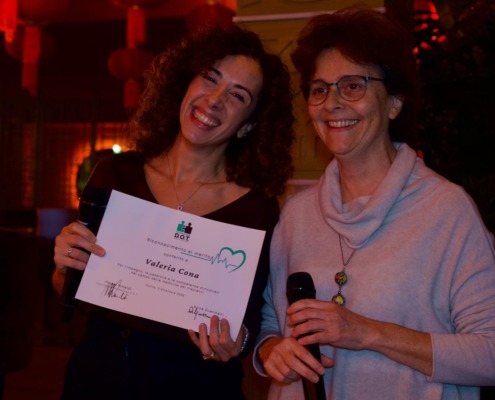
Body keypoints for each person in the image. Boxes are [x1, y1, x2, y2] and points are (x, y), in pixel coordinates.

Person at [254, 6, 495, 400]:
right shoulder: (297, 214)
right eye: (319, 88)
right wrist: (271, 351)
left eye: (353, 86)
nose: (331, 103)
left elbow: (489, 353)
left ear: (395, 102)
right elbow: (268, 322)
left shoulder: (446, 210)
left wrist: (368, 333)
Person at [52, 23, 294, 400]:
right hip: (99, 378)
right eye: (210, 78)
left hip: (197, 386)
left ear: (248, 125)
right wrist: (65, 264)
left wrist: (238, 342)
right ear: (185, 82)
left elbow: (250, 321)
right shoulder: (115, 174)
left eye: (238, 95)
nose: (215, 99)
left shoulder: (256, 210)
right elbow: (70, 287)